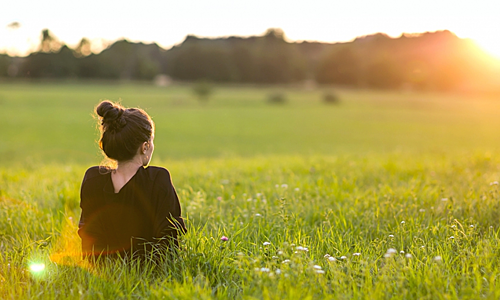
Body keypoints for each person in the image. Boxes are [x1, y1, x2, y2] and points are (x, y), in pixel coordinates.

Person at [78, 100, 186, 259]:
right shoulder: (157, 179)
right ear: (145, 147)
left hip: (100, 273)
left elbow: (89, 238)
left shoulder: (93, 179)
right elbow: (169, 239)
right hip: (151, 273)